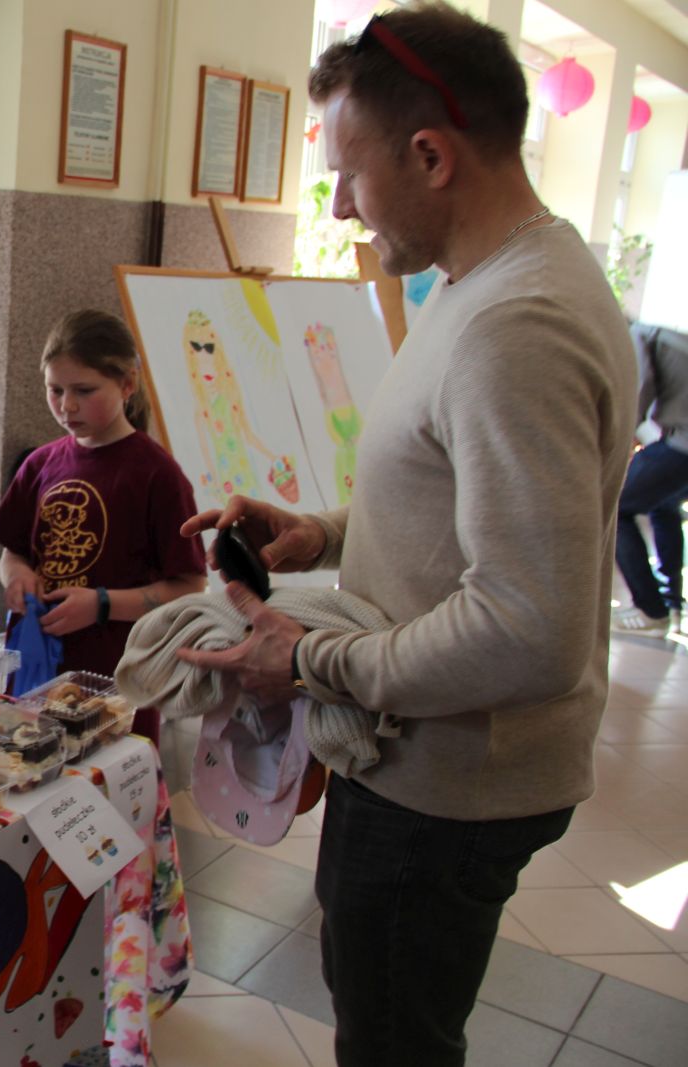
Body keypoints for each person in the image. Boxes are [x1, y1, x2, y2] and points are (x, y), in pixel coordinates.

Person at [172, 6, 635, 1065]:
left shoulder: (517, 324)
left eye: (348, 173)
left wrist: (309, 659)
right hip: (420, 754)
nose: (338, 204)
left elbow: (527, 626)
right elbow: (467, 501)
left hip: (440, 779)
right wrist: (322, 532)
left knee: (392, 1035)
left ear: (430, 155)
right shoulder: (489, 281)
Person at [0, 309, 207, 686]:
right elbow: (14, 552)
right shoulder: (39, 464)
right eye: (55, 390)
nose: (67, 406)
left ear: (127, 384)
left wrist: (101, 605)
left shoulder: (158, 475)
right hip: (36, 663)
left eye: (84, 391)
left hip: (118, 675)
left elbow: (189, 587)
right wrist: (17, 577)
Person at [612, 324, 688, 637]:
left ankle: (650, 609)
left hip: (682, 444)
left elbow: (639, 389)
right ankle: (671, 603)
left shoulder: (638, 334)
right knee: (663, 505)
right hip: (680, 441)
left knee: (615, 508)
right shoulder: (669, 337)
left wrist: (619, 439)